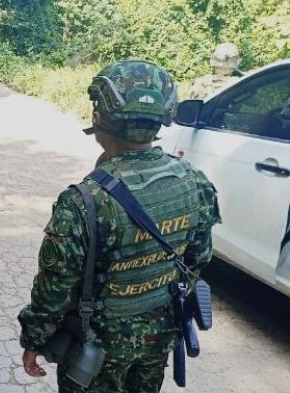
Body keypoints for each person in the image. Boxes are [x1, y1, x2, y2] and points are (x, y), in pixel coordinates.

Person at [18, 60, 221, 392]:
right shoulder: (194, 181)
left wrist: (35, 338)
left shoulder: (84, 200)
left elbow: (53, 290)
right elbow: (197, 259)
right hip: (158, 335)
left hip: (96, 347)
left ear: (99, 118)